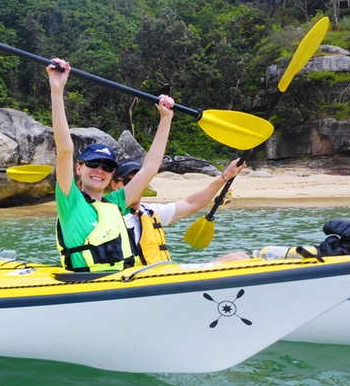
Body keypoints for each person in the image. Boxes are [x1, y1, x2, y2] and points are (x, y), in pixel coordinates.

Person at [47, 57, 175, 273]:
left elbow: (150, 169)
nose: (100, 170)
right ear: (79, 168)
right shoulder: (70, 200)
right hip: (89, 287)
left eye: (107, 167)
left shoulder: (117, 202)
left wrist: (166, 119)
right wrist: (57, 90)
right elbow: (65, 150)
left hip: (125, 282)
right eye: (93, 163)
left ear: (112, 174)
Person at [110, 157, 250, 265]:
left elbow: (191, 204)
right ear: (115, 185)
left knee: (240, 257)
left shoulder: (150, 211)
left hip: (166, 276)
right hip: (142, 283)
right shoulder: (108, 216)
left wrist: (225, 177)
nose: (136, 187)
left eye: (140, 182)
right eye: (129, 182)